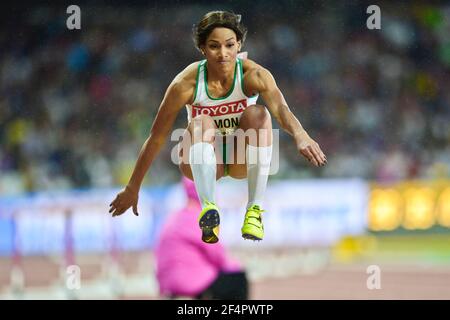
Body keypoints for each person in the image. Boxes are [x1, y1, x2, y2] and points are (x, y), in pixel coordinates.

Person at [109, 11, 327, 244]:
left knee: (259, 114)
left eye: (229, 45)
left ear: (239, 45)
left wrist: (301, 134)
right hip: (202, 159)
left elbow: (281, 110)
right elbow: (156, 137)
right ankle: (209, 211)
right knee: (201, 121)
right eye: (214, 46)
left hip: (239, 158)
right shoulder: (186, 83)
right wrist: (133, 187)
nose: (223, 54)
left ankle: (254, 210)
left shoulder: (254, 75)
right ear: (202, 48)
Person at [155, 177, 248, 299]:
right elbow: (218, 256)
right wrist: (236, 266)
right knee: (237, 279)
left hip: (167, 283)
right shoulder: (200, 217)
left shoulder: (173, 218)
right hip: (190, 282)